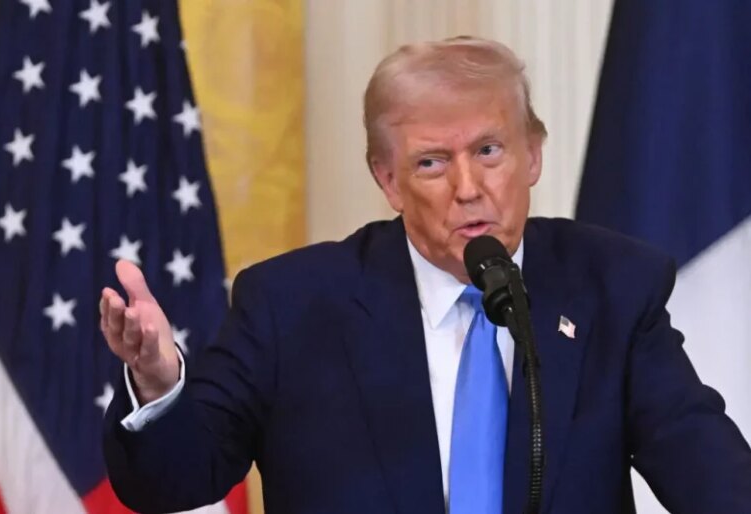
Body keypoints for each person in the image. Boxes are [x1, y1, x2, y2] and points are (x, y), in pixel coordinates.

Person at [101, 37, 751, 514]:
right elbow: (172, 479)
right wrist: (157, 382)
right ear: (388, 179)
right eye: (433, 163)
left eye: (489, 151)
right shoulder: (292, 304)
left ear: (533, 155)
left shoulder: (612, 286)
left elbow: (711, 477)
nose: (469, 188)